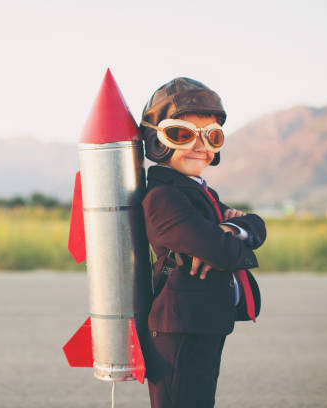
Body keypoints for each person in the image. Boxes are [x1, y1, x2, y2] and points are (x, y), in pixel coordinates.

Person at [139, 77, 266, 408]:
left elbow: (256, 226)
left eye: (211, 136)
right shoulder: (163, 196)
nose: (200, 145)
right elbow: (221, 251)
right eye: (182, 134)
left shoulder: (200, 192)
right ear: (158, 139)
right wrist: (226, 236)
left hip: (203, 320)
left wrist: (229, 228)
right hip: (180, 327)